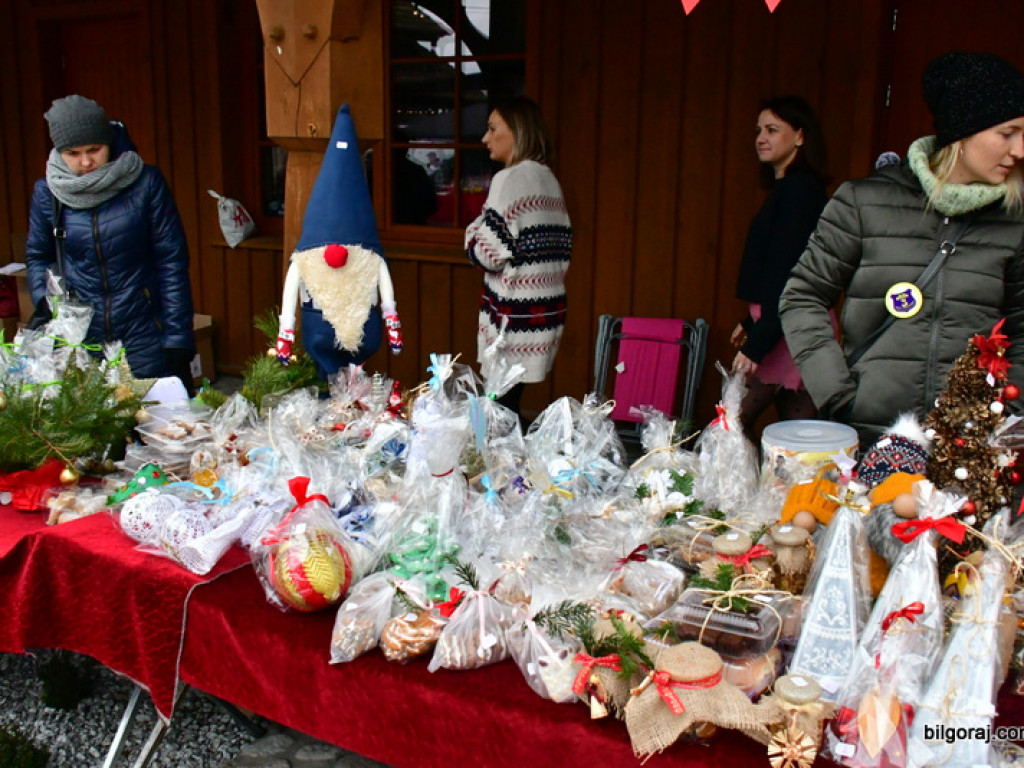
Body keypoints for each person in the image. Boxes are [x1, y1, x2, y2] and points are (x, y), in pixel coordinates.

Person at [780, 52, 1024, 446]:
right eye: (1008, 133)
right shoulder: (863, 203)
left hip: (967, 449)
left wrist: (1004, 413)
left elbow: (1022, 329)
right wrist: (840, 396)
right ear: (963, 131)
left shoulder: (1015, 224)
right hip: (869, 437)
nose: (1020, 150)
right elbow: (803, 296)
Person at [26, 95, 195, 391]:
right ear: (58, 152)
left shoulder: (146, 183)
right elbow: (38, 256)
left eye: (95, 149)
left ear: (110, 143)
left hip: (143, 331)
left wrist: (177, 336)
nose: (87, 161)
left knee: (156, 426)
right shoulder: (47, 193)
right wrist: (52, 307)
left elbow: (171, 262)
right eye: (73, 153)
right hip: (79, 339)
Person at [730, 96, 830, 441]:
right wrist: (751, 321)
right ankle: (795, 493)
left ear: (800, 137)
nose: (761, 137)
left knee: (730, 424)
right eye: (759, 130)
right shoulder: (790, 189)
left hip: (787, 323)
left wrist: (759, 340)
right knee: (798, 431)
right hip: (787, 321)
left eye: (773, 129)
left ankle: (735, 494)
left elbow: (789, 272)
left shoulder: (800, 192)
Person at [465, 96, 572, 415]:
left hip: (512, 317)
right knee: (510, 406)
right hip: (543, 314)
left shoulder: (509, 179)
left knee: (495, 414)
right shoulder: (548, 179)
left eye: (492, 128)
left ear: (517, 131)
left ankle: (499, 464)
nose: (485, 138)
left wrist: (473, 228)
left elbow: (484, 253)